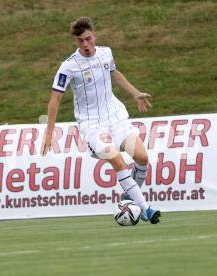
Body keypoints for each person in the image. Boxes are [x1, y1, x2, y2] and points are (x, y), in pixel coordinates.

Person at [41, 17, 161, 224]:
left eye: (88, 39)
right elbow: (55, 99)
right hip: (92, 125)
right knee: (116, 159)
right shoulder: (68, 66)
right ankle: (146, 209)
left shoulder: (106, 53)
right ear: (76, 42)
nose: (85, 45)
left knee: (142, 157)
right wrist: (49, 132)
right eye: (80, 41)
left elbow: (115, 74)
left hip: (116, 117)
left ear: (94, 36)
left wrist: (134, 93)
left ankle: (130, 196)